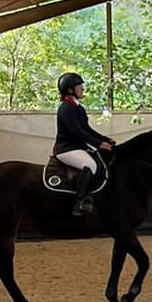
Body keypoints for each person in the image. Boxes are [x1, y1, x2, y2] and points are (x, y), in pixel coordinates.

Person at [53, 72, 113, 218]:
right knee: (90, 165)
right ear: (70, 90)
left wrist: (105, 139)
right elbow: (76, 132)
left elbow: (86, 129)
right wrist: (99, 144)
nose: (82, 89)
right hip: (66, 149)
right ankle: (79, 201)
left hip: (77, 148)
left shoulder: (78, 108)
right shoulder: (66, 108)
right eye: (79, 86)